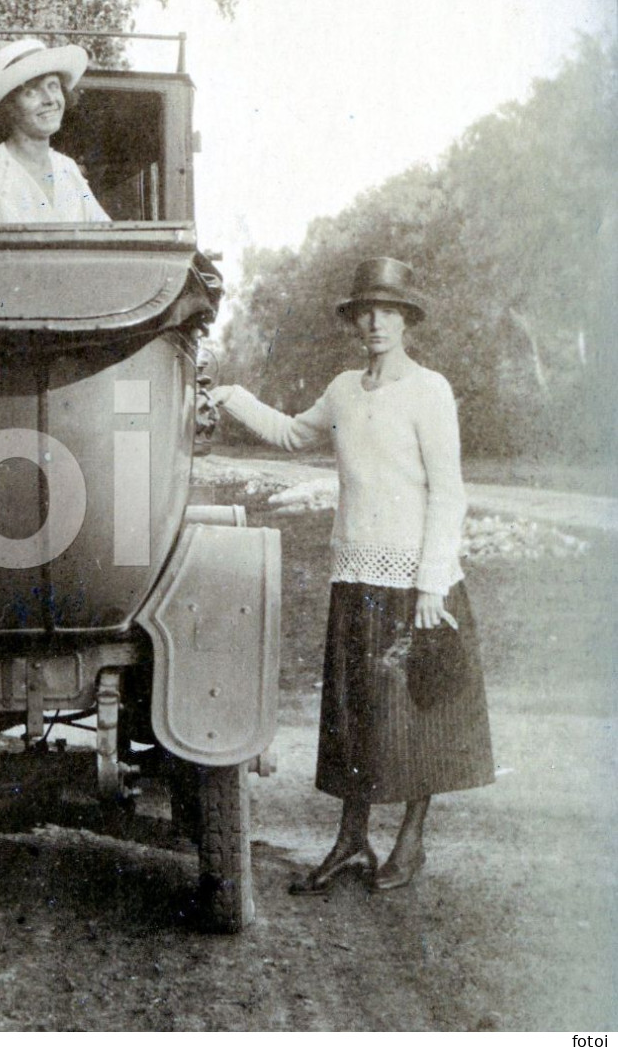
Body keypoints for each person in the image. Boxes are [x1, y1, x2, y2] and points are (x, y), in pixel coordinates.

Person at [210, 258, 494, 894]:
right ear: (353, 321)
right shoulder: (342, 390)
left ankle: (411, 843)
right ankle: (351, 840)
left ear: (406, 321)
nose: (375, 323)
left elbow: (448, 492)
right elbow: (289, 435)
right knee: (355, 717)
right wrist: (232, 398)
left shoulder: (430, 390)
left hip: (418, 584)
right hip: (356, 575)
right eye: (365, 311)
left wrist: (429, 586)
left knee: (419, 718)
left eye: (388, 312)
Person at [0, 38, 110, 224]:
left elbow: (106, 234)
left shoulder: (67, 169)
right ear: (7, 107)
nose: (50, 99)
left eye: (53, 86)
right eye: (31, 92)